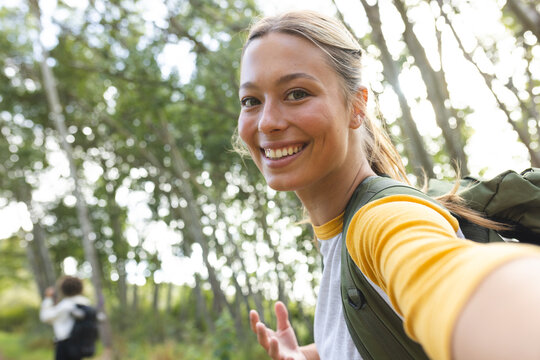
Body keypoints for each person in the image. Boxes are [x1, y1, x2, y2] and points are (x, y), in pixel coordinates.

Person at [236, 10, 540, 360]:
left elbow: (474, 294)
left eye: (297, 93)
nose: (268, 121)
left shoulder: (381, 222)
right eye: (251, 101)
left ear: (357, 105)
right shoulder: (338, 233)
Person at [40, 275, 91, 360]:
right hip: (80, 345)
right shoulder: (86, 303)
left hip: (65, 347)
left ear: (63, 289)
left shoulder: (65, 305)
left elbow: (45, 317)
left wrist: (48, 299)